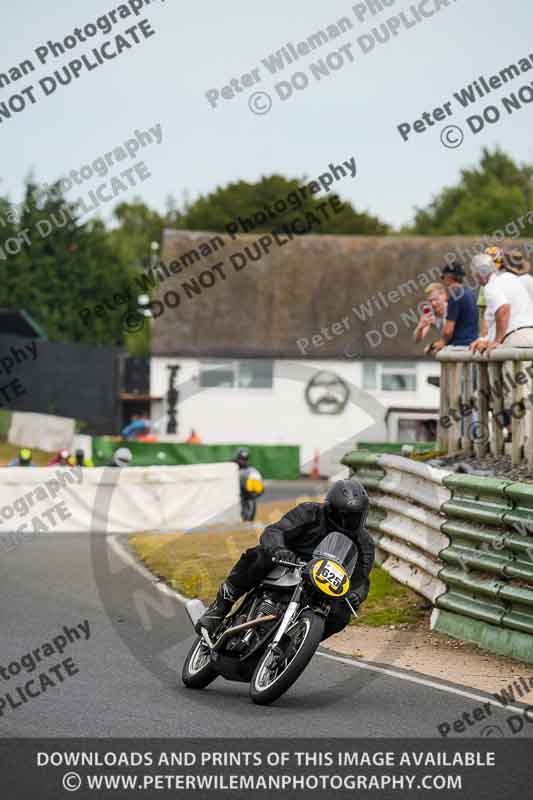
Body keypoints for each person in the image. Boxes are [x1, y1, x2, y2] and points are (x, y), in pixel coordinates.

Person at [195, 479, 375, 640]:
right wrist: (279, 549)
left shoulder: (365, 543)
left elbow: (362, 578)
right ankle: (220, 607)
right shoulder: (309, 512)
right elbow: (275, 531)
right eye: (345, 515)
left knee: (342, 615)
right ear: (331, 509)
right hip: (289, 563)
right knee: (258, 555)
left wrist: (356, 595)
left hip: (322, 584)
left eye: (356, 516)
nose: (349, 521)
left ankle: (299, 642)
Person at [470, 254, 533, 352]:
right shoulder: (510, 278)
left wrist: (497, 341)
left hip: (515, 339)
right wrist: (484, 339)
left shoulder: (491, 286)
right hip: (529, 334)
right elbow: (494, 322)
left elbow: (503, 309)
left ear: (478, 274)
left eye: (473, 273)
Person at [430, 262, 479, 353]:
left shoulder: (455, 295)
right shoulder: (470, 293)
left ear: (449, 277)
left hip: (458, 348)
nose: (443, 281)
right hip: (472, 347)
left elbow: (448, 330)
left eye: (442, 277)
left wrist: (441, 342)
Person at [413, 282, 447, 350]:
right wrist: (420, 326)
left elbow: (451, 337)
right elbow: (416, 340)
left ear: (444, 296)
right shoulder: (431, 314)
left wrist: (433, 346)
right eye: (430, 300)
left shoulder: (452, 310)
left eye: (435, 299)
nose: (433, 303)